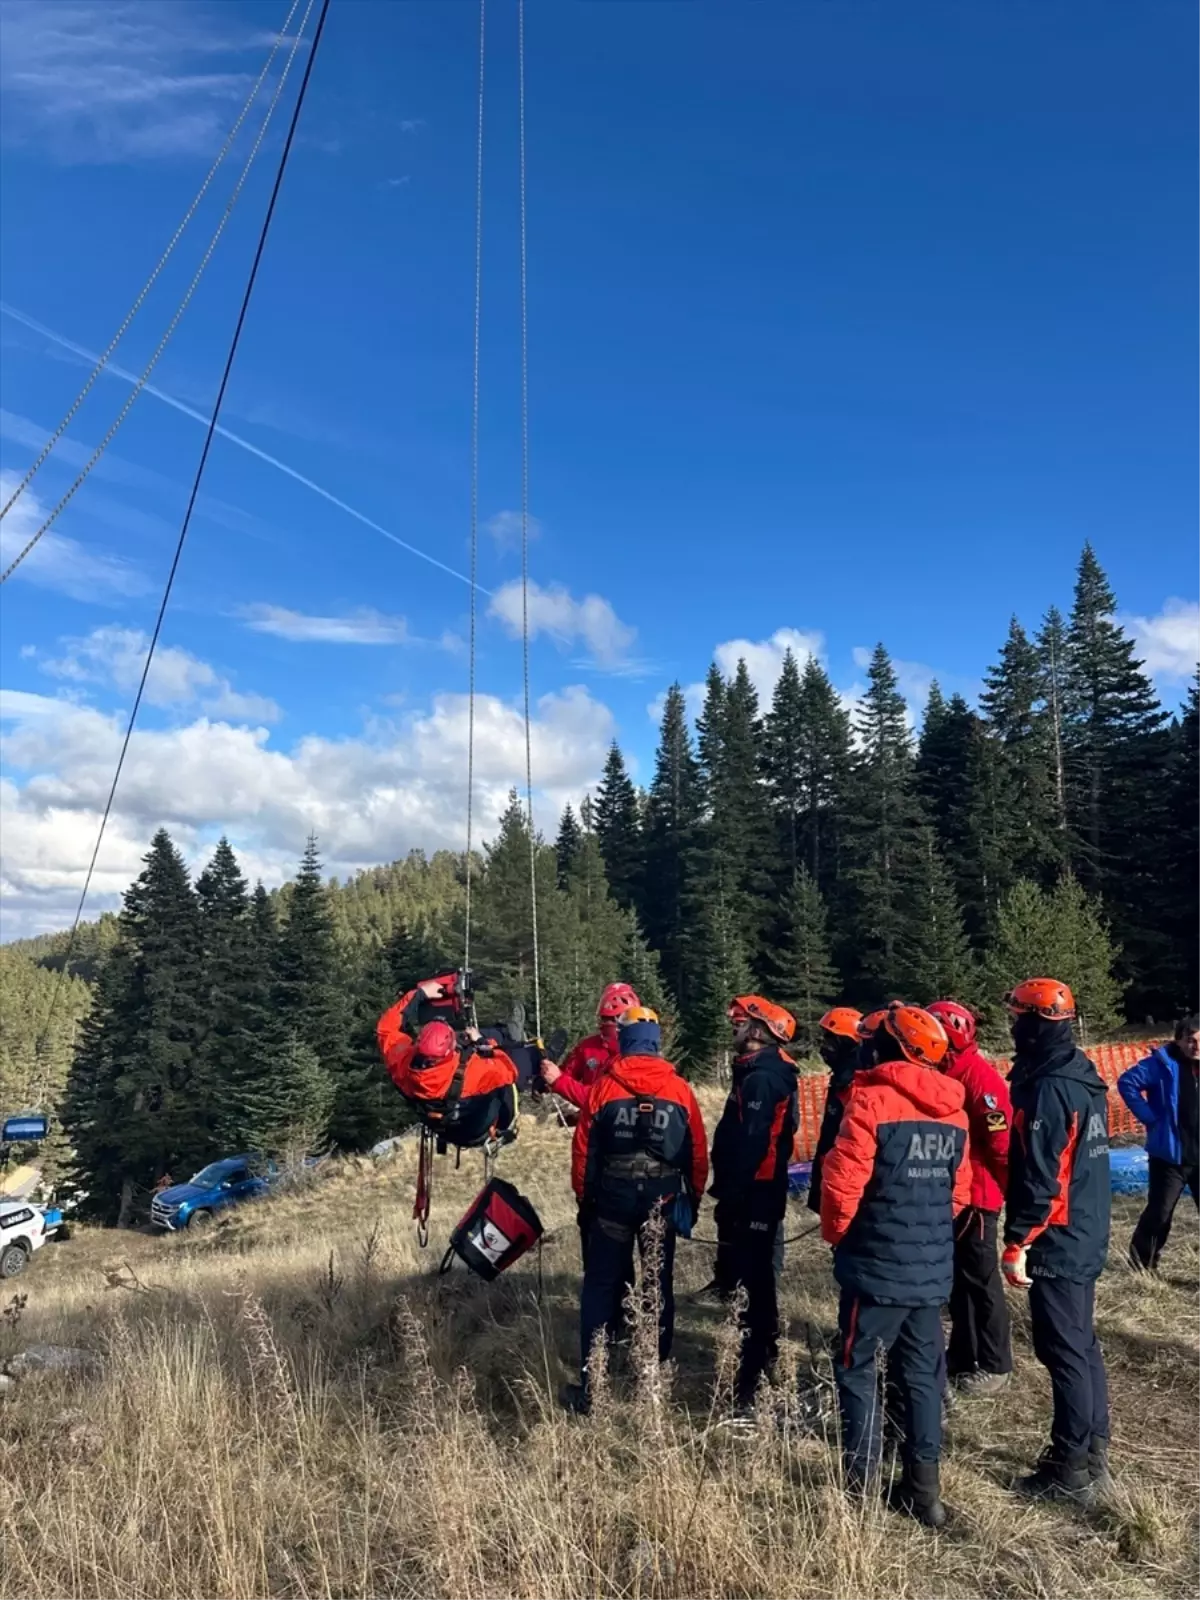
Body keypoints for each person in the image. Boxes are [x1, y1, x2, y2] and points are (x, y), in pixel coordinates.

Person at [821, 1003, 971, 1528]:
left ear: (893, 1046)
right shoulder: (954, 1111)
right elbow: (960, 1192)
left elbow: (841, 1187)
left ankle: (860, 1490)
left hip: (875, 1267)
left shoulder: (869, 1100)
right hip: (930, 1272)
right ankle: (924, 1493)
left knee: (858, 1371)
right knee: (923, 1378)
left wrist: (839, 1237)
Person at [563, 1006, 708, 1414]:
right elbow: (697, 1153)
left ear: (625, 1041)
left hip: (611, 1200)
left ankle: (595, 1385)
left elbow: (583, 1153)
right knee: (658, 1286)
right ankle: (653, 1378)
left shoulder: (604, 1089)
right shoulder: (679, 1090)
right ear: (656, 1041)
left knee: (601, 1287)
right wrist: (691, 1200)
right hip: (661, 1200)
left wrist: (584, 1200)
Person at [1001, 977, 1112, 1503]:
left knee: (1063, 1349)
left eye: (1018, 1016)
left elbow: (1044, 1180)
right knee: (1082, 1346)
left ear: (1035, 1021)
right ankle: (1091, 1450)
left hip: (1060, 1236)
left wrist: (1017, 1240)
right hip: (1086, 1227)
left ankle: (1070, 1466)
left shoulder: (1049, 1088)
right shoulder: (1080, 1073)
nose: (1012, 1024)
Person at [709, 994, 800, 1411]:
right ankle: (762, 1359)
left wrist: (737, 1193)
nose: (733, 1024)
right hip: (749, 1191)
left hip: (756, 1194)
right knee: (752, 1280)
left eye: (741, 1021)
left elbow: (755, 1143)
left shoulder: (764, 1078)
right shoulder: (751, 1072)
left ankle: (755, 1372)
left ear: (759, 1031)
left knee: (756, 1282)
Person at [927, 999, 1014, 1396]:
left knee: (981, 1282)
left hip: (979, 1197)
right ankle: (963, 1356)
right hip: (952, 1195)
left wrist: (1007, 1195)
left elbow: (1000, 1144)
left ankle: (996, 1364)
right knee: (958, 1282)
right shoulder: (944, 1072)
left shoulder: (978, 1077)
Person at [377, 974, 519, 1148]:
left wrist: (419, 995)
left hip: (447, 1132)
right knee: (504, 1049)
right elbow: (508, 1070)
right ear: (450, 1049)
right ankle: (520, 1044)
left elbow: (386, 1029)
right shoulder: (473, 1072)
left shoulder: (401, 1064)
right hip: (482, 1130)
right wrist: (482, 1042)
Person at [1118, 1015, 1200, 1272]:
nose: (1196, 1046)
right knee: (1160, 1214)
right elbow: (1127, 1082)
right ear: (1178, 1041)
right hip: (1169, 1157)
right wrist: (1149, 1117)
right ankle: (1142, 1266)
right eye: (1190, 1040)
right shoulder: (1163, 1064)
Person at [541, 983, 640, 1117]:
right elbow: (566, 1075)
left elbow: (604, 1100)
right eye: (604, 1019)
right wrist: (549, 1077)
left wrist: (559, 1080)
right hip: (589, 1126)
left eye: (611, 1020)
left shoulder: (639, 1058)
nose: (605, 1024)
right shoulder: (587, 1047)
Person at [806, 1006, 864, 1217]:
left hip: (846, 1183)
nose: (825, 1047)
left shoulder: (854, 1082)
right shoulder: (840, 1079)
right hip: (832, 1176)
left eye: (831, 1039)